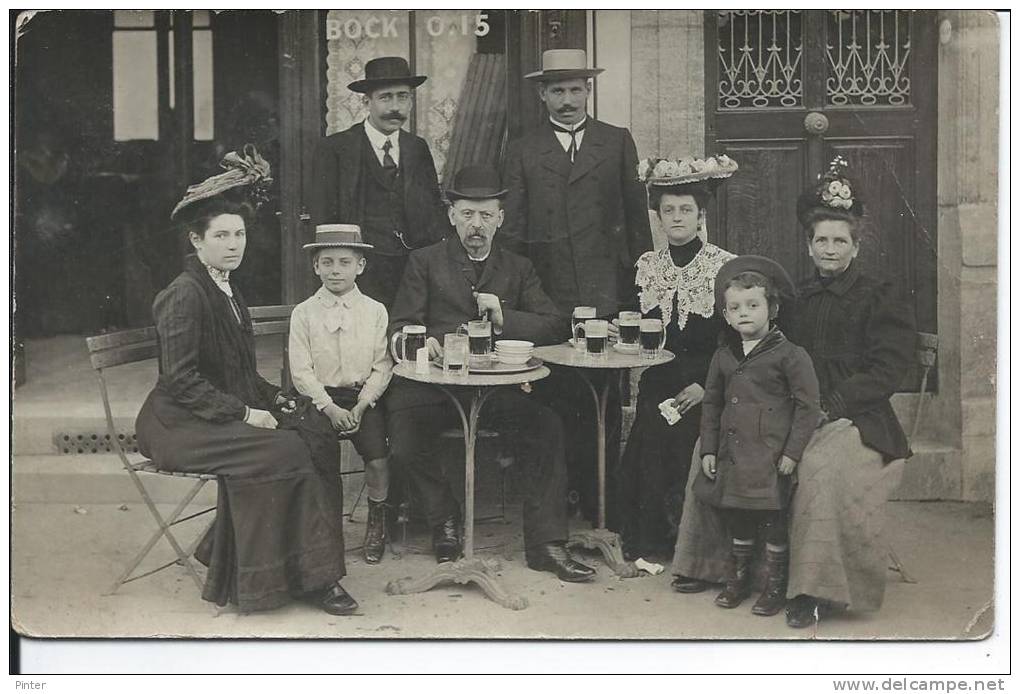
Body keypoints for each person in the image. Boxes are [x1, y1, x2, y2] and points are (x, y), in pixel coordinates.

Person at [670, 156, 916, 629]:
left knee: (818, 467)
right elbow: (761, 349)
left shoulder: (881, 294)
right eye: (820, 239)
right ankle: (715, 566)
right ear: (808, 245)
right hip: (794, 409)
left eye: (839, 240)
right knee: (717, 444)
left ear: (855, 246)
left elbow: (890, 369)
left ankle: (812, 590)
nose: (829, 248)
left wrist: (834, 404)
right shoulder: (796, 298)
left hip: (859, 418)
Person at [134, 146, 357, 616]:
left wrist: (275, 397)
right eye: (221, 235)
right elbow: (180, 380)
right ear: (197, 241)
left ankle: (307, 567)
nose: (234, 244)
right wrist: (244, 412)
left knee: (315, 431)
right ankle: (288, 578)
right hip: (177, 423)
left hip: (211, 411)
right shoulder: (183, 295)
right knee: (281, 449)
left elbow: (236, 371)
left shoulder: (228, 287)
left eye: (239, 234)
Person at [386, 165, 595, 582]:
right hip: (438, 389)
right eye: (467, 214)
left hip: (500, 391)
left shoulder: (518, 268)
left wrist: (504, 318)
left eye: (485, 215)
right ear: (452, 216)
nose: (476, 225)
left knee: (548, 426)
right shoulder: (424, 261)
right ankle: (445, 518)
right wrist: (419, 342)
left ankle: (546, 544)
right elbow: (398, 327)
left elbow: (554, 323)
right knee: (403, 431)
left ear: (501, 218)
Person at [501, 48, 653, 521]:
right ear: (542, 95)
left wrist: (639, 291)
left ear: (588, 91)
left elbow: (635, 222)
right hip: (549, 296)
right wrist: (522, 297)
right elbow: (514, 231)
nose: (567, 99)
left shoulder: (615, 141)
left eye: (575, 89)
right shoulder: (523, 148)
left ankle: (599, 500)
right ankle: (559, 497)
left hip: (605, 293)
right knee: (556, 395)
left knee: (604, 396)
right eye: (557, 90)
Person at [608, 155, 738, 561]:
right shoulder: (648, 267)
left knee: (676, 439)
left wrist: (707, 387)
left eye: (686, 210)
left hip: (707, 386)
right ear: (658, 218)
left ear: (701, 215)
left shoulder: (724, 266)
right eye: (668, 210)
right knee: (649, 433)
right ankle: (650, 540)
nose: (676, 218)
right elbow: (636, 322)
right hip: (659, 383)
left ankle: (685, 542)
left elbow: (736, 342)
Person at [691, 256, 820, 616]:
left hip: (768, 457)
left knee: (773, 523)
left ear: (772, 309)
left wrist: (792, 454)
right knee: (738, 519)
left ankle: (775, 586)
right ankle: (738, 579)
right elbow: (712, 404)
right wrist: (709, 449)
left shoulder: (790, 356)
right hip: (734, 456)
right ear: (726, 315)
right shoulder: (724, 355)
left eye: (753, 305)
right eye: (735, 308)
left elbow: (808, 407)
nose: (744, 313)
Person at [289, 224, 393, 565]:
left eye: (345, 262)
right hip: (320, 399)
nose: (336, 270)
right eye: (327, 262)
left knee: (378, 457)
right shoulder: (303, 313)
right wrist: (329, 408)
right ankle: (324, 532)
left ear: (360, 266)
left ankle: (377, 522)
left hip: (362, 399)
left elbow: (382, 365)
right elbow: (301, 371)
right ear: (315, 266)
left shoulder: (375, 310)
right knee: (320, 459)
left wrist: (363, 404)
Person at [317, 56, 448, 307]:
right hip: (360, 269)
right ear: (367, 101)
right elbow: (324, 216)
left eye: (403, 96)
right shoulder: (336, 148)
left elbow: (432, 209)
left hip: (410, 267)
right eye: (385, 97)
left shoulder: (417, 148)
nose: (395, 107)